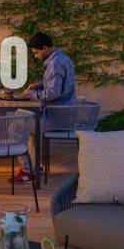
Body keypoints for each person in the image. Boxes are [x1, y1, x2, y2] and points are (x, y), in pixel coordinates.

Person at [12, 32, 77, 183]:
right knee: (24, 122)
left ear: (45, 48)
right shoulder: (61, 58)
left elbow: (53, 93)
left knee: (17, 128)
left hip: (58, 117)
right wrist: (40, 85)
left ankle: (29, 171)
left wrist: (32, 94)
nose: (35, 56)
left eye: (36, 52)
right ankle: (34, 167)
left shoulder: (55, 64)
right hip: (61, 113)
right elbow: (58, 85)